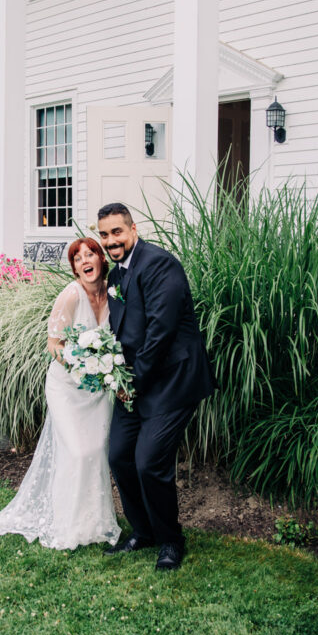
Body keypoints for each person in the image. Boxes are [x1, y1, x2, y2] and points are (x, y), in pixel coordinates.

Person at [0, 238, 121, 551]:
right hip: (67, 387)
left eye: (90, 254)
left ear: (101, 260)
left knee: (94, 451)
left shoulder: (114, 293)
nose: (84, 261)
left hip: (97, 388)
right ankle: (66, 524)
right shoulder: (70, 294)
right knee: (76, 451)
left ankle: (95, 522)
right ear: (74, 268)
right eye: (78, 259)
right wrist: (83, 365)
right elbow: (54, 345)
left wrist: (101, 369)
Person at [97, 202, 216, 571]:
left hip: (171, 380)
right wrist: (113, 372)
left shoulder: (159, 264)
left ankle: (170, 540)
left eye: (117, 232)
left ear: (134, 229)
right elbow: (124, 333)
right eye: (104, 234)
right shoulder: (117, 276)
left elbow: (160, 334)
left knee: (149, 462)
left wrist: (131, 382)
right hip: (135, 379)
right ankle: (143, 531)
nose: (111, 241)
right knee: (118, 454)